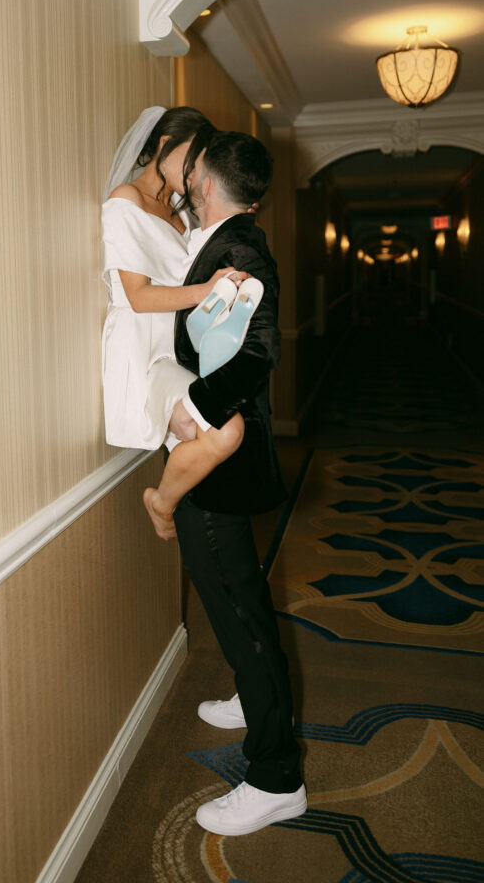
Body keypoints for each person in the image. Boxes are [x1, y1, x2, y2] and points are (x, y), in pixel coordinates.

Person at [167, 130, 306, 835]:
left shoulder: (242, 250)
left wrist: (191, 409)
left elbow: (255, 355)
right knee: (232, 599)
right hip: (218, 455)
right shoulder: (222, 237)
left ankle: (276, 776)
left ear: (205, 180)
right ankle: (254, 702)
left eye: (190, 169)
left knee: (238, 610)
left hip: (221, 456)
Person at [102, 107, 253, 538]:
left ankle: (172, 506)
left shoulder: (180, 214)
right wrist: (206, 289)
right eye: (191, 159)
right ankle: (162, 503)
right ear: (164, 146)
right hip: (142, 346)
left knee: (207, 431)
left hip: (176, 343)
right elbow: (138, 296)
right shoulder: (125, 201)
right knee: (224, 430)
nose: (193, 174)